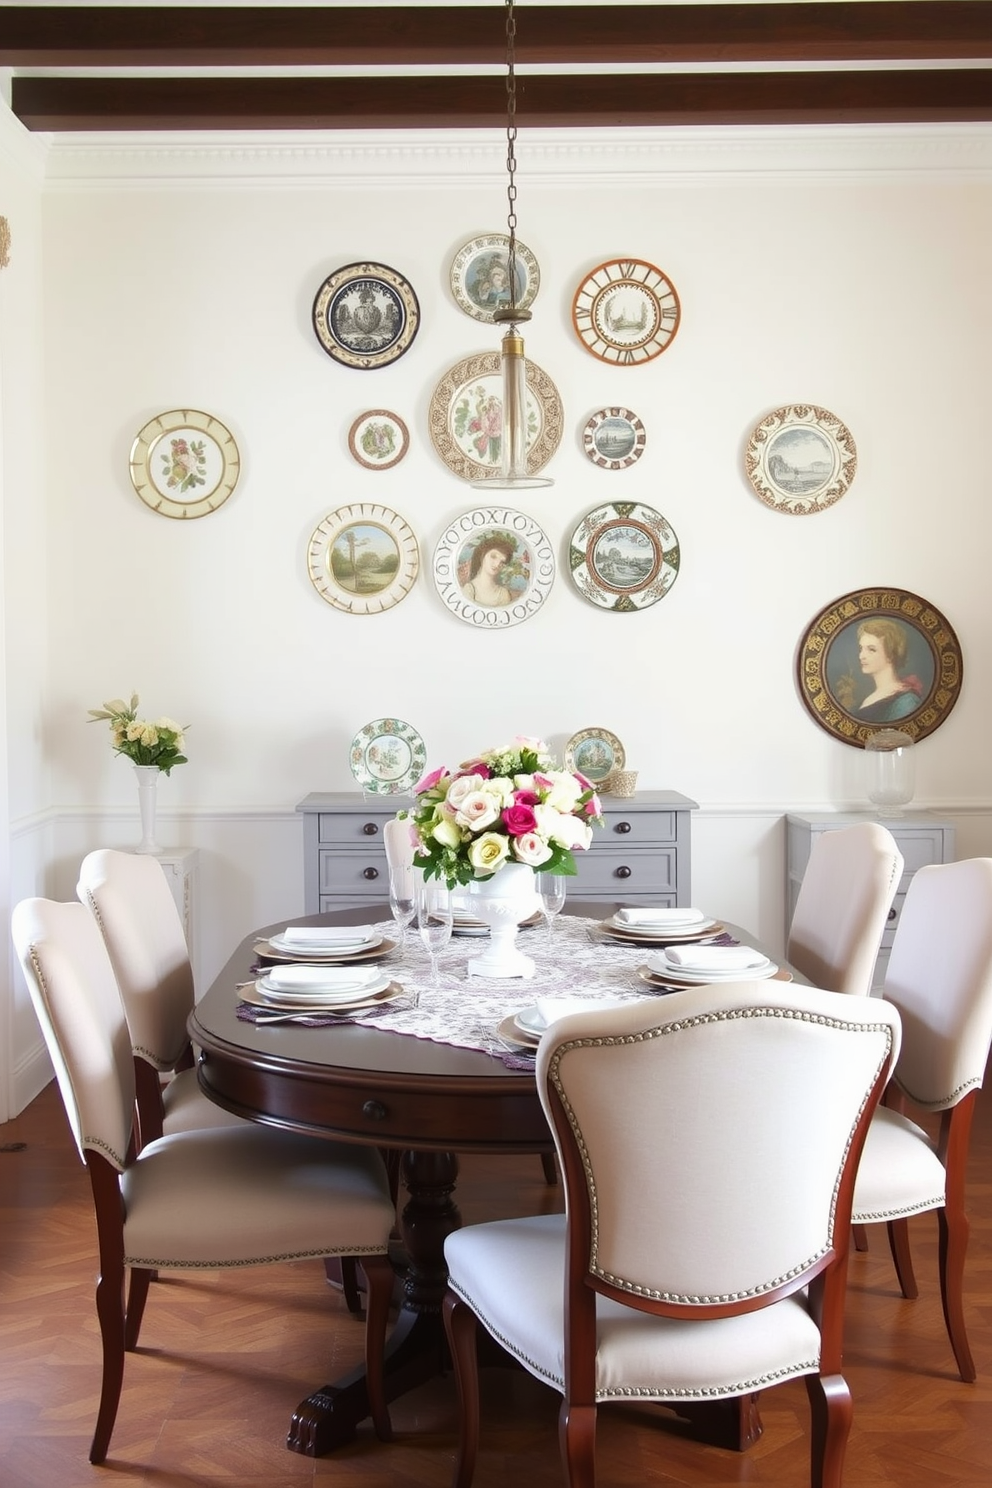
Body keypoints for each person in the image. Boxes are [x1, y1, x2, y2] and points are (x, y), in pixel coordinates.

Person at [856, 618, 924, 722]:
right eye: (861, 648)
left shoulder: (906, 702)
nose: (861, 656)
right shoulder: (871, 697)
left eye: (871, 649)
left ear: (891, 655)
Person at [460, 535, 517, 607]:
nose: (497, 564)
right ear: (482, 555)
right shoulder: (470, 589)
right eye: (493, 557)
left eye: (502, 562)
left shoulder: (503, 593)